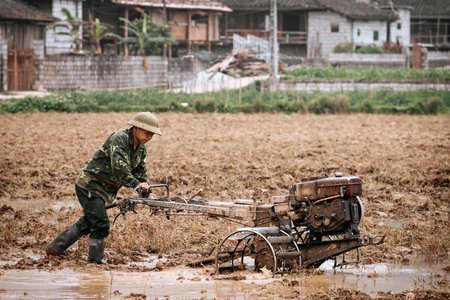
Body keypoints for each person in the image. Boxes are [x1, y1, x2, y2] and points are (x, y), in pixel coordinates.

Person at [45, 112, 163, 264]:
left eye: (152, 134)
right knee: (101, 224)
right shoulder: (119, 139)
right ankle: (95, 264)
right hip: (90, 186)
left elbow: (141, 174)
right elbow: (119, 168)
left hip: (106, 191)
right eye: (147, 133)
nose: (149, 137)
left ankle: (54, 249)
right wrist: (136, 185)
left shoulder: (141, 150)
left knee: (90, 221)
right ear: (136, 128)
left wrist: (149, 195)